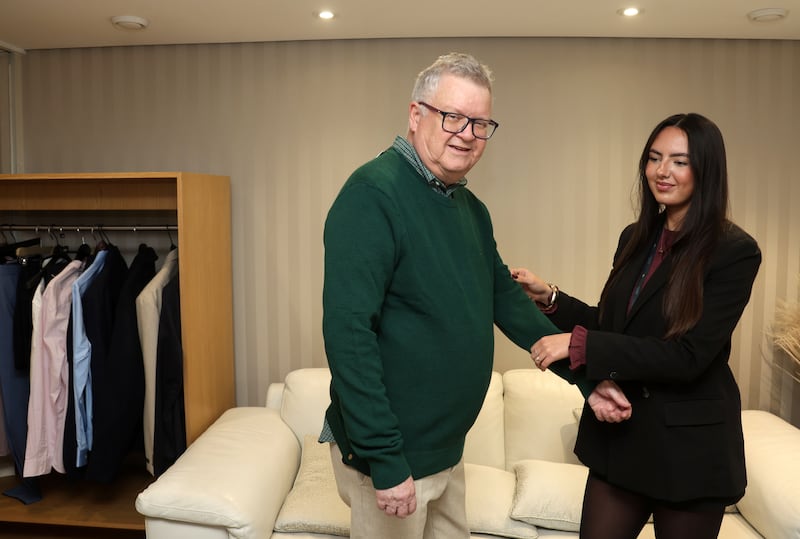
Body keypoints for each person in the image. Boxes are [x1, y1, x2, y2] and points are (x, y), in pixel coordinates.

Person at [320, 52, 590, 539]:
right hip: (395, 456)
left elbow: (505, 300)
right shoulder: (372, 194)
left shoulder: (469, 208)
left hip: (444, 449)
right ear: (416, 114)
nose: (466, 133)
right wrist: (385, 460)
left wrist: (587, 378)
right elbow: (349, 335)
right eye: (452, 117)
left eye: (480, 123)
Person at [511, 112, 761, 539]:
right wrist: (550, 297)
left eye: (679, 161)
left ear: (706, 169)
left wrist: (580, 347)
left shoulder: (733, 251)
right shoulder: (635, 237)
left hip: (689, 451)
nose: (662, 171)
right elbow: (613, 327)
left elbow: (688, 356)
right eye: (654, 158)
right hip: (622, 440)